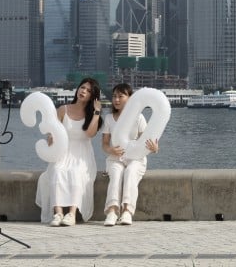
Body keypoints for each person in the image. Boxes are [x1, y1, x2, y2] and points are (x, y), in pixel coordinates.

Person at [35, 77, 102, 226]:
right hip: (63, 153)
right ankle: (58, 213)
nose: (83, 91)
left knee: (77, 173)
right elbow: (52, 132)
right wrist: (51, 137)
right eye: (82, 87)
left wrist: (97, 112)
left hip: (82, 155)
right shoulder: (63, 110)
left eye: (88, 90)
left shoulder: (93, 115)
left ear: (93, 96)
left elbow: (90, 134)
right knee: (57, 171)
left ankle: (71, 214)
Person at [100, 83, 160, 226]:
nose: (117, 99)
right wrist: (111, 150)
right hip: (115, 158)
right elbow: (104, 144)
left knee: (131, 172)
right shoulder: (109, 118)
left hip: (136, 158)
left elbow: (148, 141)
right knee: (116, 174)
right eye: (114, 96)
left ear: (130, 98)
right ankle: (112, 211)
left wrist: (155, 148)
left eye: (121, 96)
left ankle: (127, 210)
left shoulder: (138, 118)